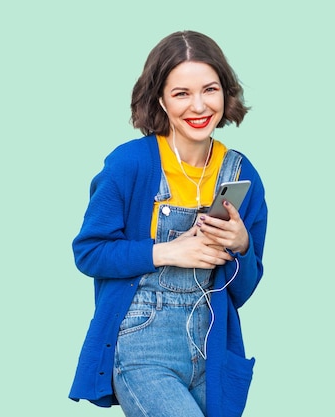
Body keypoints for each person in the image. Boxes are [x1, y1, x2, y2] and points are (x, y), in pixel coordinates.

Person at [68, 30, 268, 417]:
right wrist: (167, 251)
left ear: (225, 93)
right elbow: (89, 252)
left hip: (213, 345)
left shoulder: (242, 174)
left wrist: (242, 246)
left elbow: (240, 292)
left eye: (210, 90)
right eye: (181, 93)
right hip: (144, 345)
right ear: (160, 98)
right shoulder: (130, 165)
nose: (199, 106)